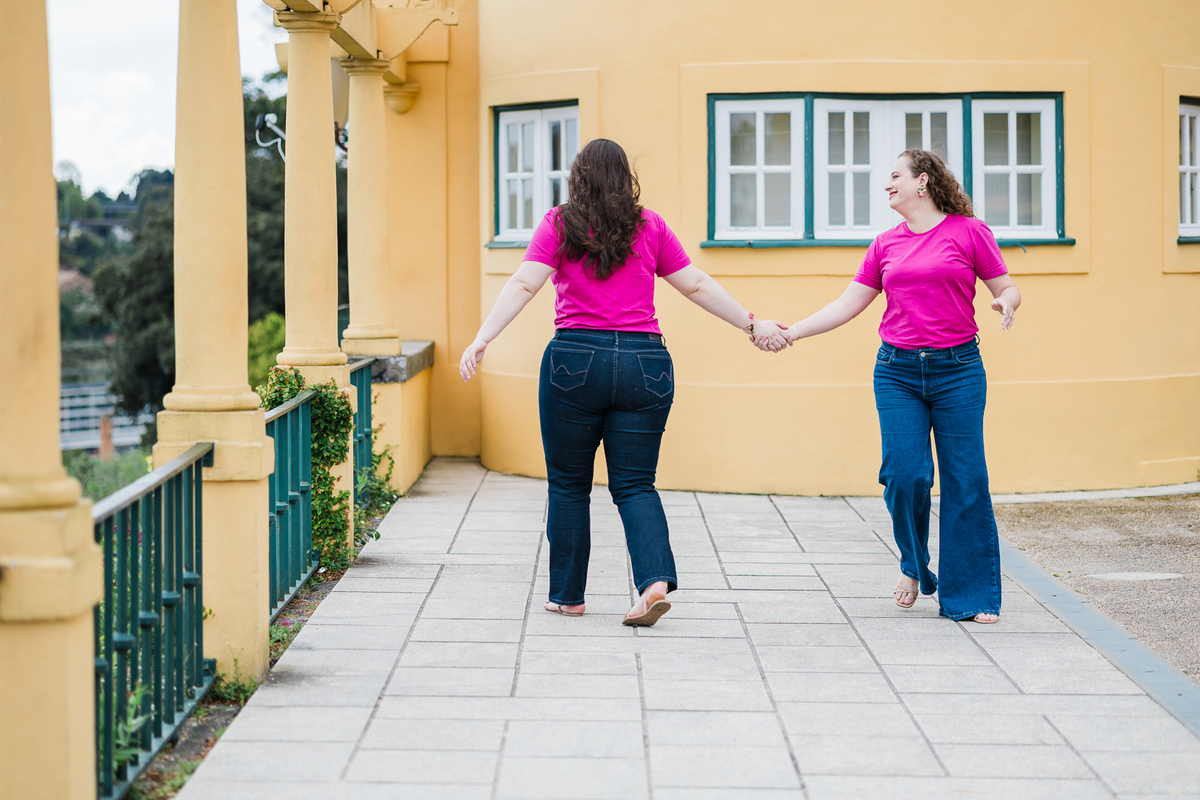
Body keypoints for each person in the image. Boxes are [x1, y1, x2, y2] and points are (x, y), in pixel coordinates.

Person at [459, 139, 787, 626]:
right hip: (645, 364)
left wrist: (483, 338)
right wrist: (751, 323)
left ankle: (569, 596)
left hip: (575, 361)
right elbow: (694, 283)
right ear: (624, 177)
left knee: (569, 485)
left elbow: (525, 282)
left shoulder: (560, 223)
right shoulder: (649, 225)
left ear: (578, 176)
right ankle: (653, 582)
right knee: (635, 484)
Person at [775, 149, 1021, 623]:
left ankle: (969, 595)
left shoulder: (970, 232)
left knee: (965, 478)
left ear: (922, 181)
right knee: (905, 475)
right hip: (897, 371)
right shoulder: (885, 244)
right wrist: (794, 331)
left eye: (894, 176)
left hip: (958, 371)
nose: (886, 185)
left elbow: (1006, 287)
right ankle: (913, 564)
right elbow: (848, 303)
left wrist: (1006, 304)